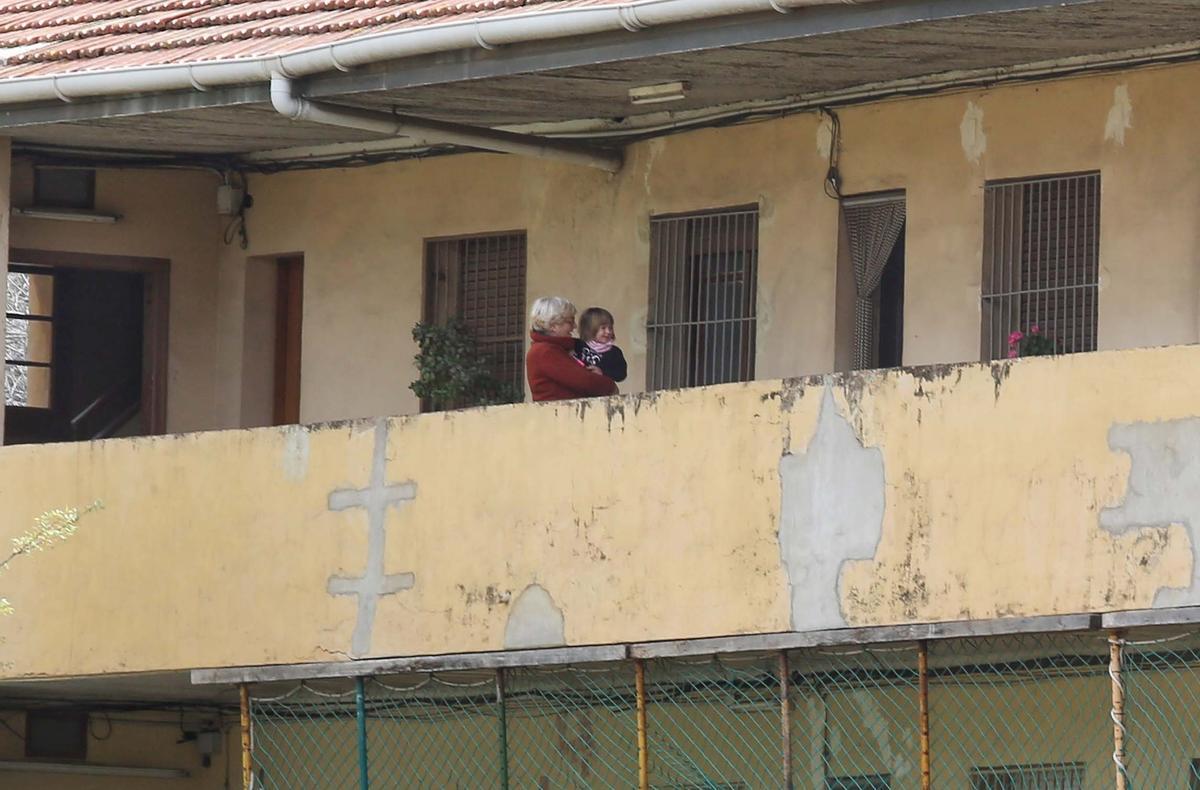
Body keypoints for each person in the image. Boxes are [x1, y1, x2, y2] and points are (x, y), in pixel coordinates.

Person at [526, 297, 618, 402]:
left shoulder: (559, 348)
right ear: (553, 326)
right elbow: (583, 381)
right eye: (570, 322)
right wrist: (610, 386)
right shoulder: (544, 351)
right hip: (558, 415)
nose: (574, 326)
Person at [575, 307, 627, 383]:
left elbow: (621, 374)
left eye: (610, 328)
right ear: (589, 329)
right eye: (603, 328)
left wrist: (603, 372)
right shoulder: (578, 345)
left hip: (602, 391)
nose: (608, 332)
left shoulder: (615, 352)